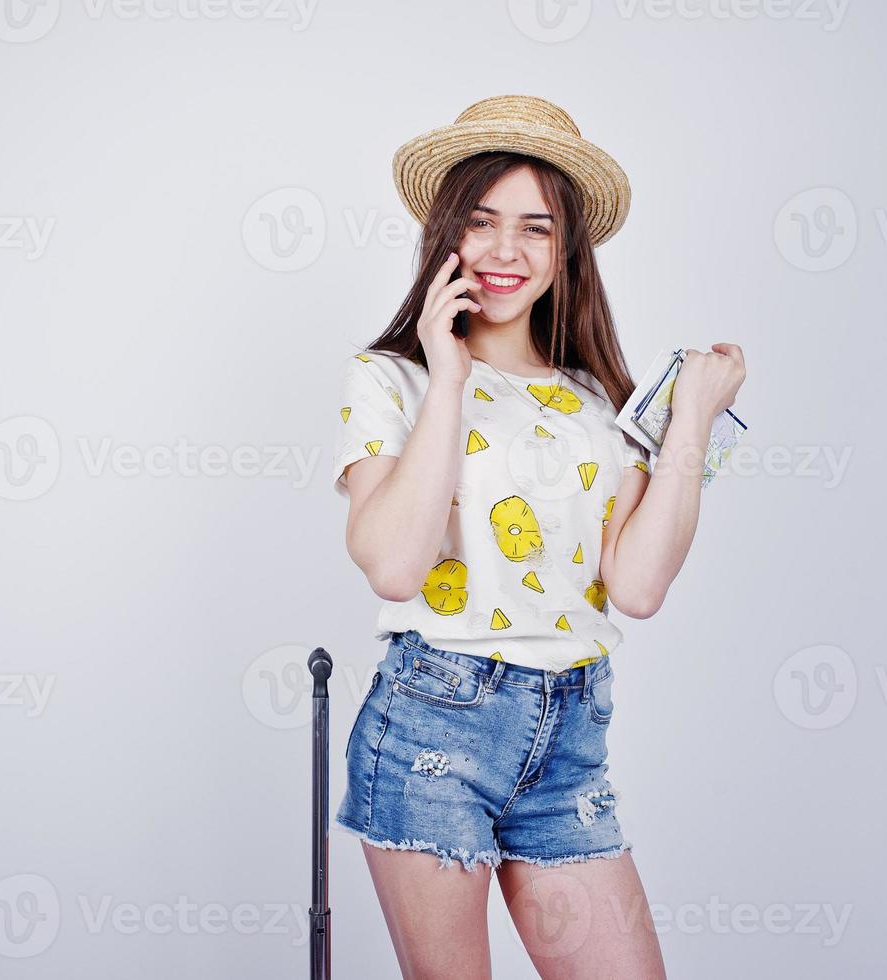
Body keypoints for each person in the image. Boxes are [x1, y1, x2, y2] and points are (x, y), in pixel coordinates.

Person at [330, 95, 745, 979]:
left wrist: (693, 425)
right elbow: (395, 567)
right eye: (481, 223)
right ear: (446, 235)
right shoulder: (390, 380)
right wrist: (450, 379)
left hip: (571, 737)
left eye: (535, 228)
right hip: (434, 722)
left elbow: (634, 587)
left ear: (567, 251)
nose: (505, 252)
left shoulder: (599, 399)